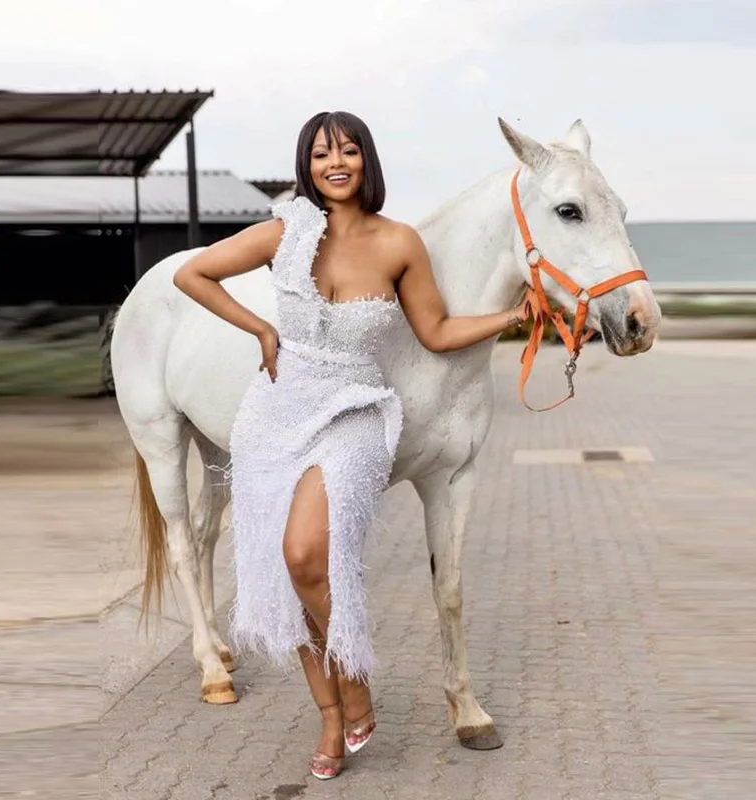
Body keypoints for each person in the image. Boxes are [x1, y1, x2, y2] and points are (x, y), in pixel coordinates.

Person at [173, 110, 527, 780]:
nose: (334, 163)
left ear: (367, 160)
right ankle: (332, 719)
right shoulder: (288, 231)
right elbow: (192, 275)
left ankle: (356, 681)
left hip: (357, 411)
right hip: (278, 412)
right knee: (288, 575)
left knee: (307, 555)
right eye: (320, 154)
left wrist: (511, 316)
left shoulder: (399, 243)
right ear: (306, 166)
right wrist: (261, 331)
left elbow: (437, 330)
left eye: (347, 151)